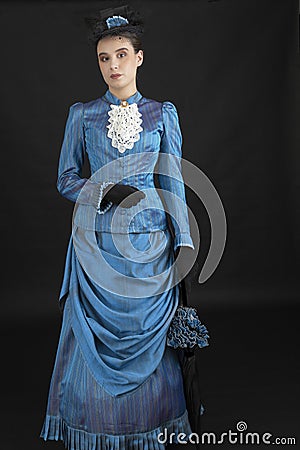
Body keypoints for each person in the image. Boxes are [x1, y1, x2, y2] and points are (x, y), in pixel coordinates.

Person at [39, 4, 201, 449]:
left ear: (139, 58)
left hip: (151, 244)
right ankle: (95, 422)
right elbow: (65, 179)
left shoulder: (161, 114)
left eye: (122, 54)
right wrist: (102, 192)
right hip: (99, 247)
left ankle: (155, 420)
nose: (113, 65)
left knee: (152, 335)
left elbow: (171, 180)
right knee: (91, 334)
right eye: (105, 58)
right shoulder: (83, 115)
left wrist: (183, 241)